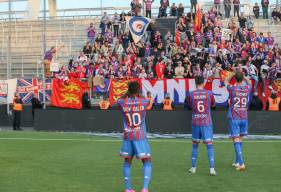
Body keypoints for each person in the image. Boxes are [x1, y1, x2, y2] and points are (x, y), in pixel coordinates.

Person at [117, 81, 152, 192]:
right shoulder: (143, 101)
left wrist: (128, 93)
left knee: (127, 162)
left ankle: (128, 189)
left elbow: (118, 100)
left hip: (128, 136)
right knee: (147, 161)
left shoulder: (123, 103)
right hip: (140, 135)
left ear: (128, 90)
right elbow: (149, 100)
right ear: (138, 91)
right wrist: (138, 94)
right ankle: (145, 188)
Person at [187, 76, 217, 176]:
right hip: (206, 122)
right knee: (209, 145)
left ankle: (193, 167)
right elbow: (213, 104)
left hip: (196, 122)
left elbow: (190, 106)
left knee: (195, 146)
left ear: (195, 83)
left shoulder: (191, 94)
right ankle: (212, 169)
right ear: (203, 83)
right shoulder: (209, 93)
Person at [225, 72, 252, 171]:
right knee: (240, 140)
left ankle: (241, 163)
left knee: (236, 139)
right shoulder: (247, 88)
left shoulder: (232, 89)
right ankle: (237, 161)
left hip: (234, 117)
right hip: (244, 117)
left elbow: (226, 80)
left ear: (235, 79)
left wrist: (233, 73)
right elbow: (249, 82)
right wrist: (243, 76)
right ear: (242, 79)